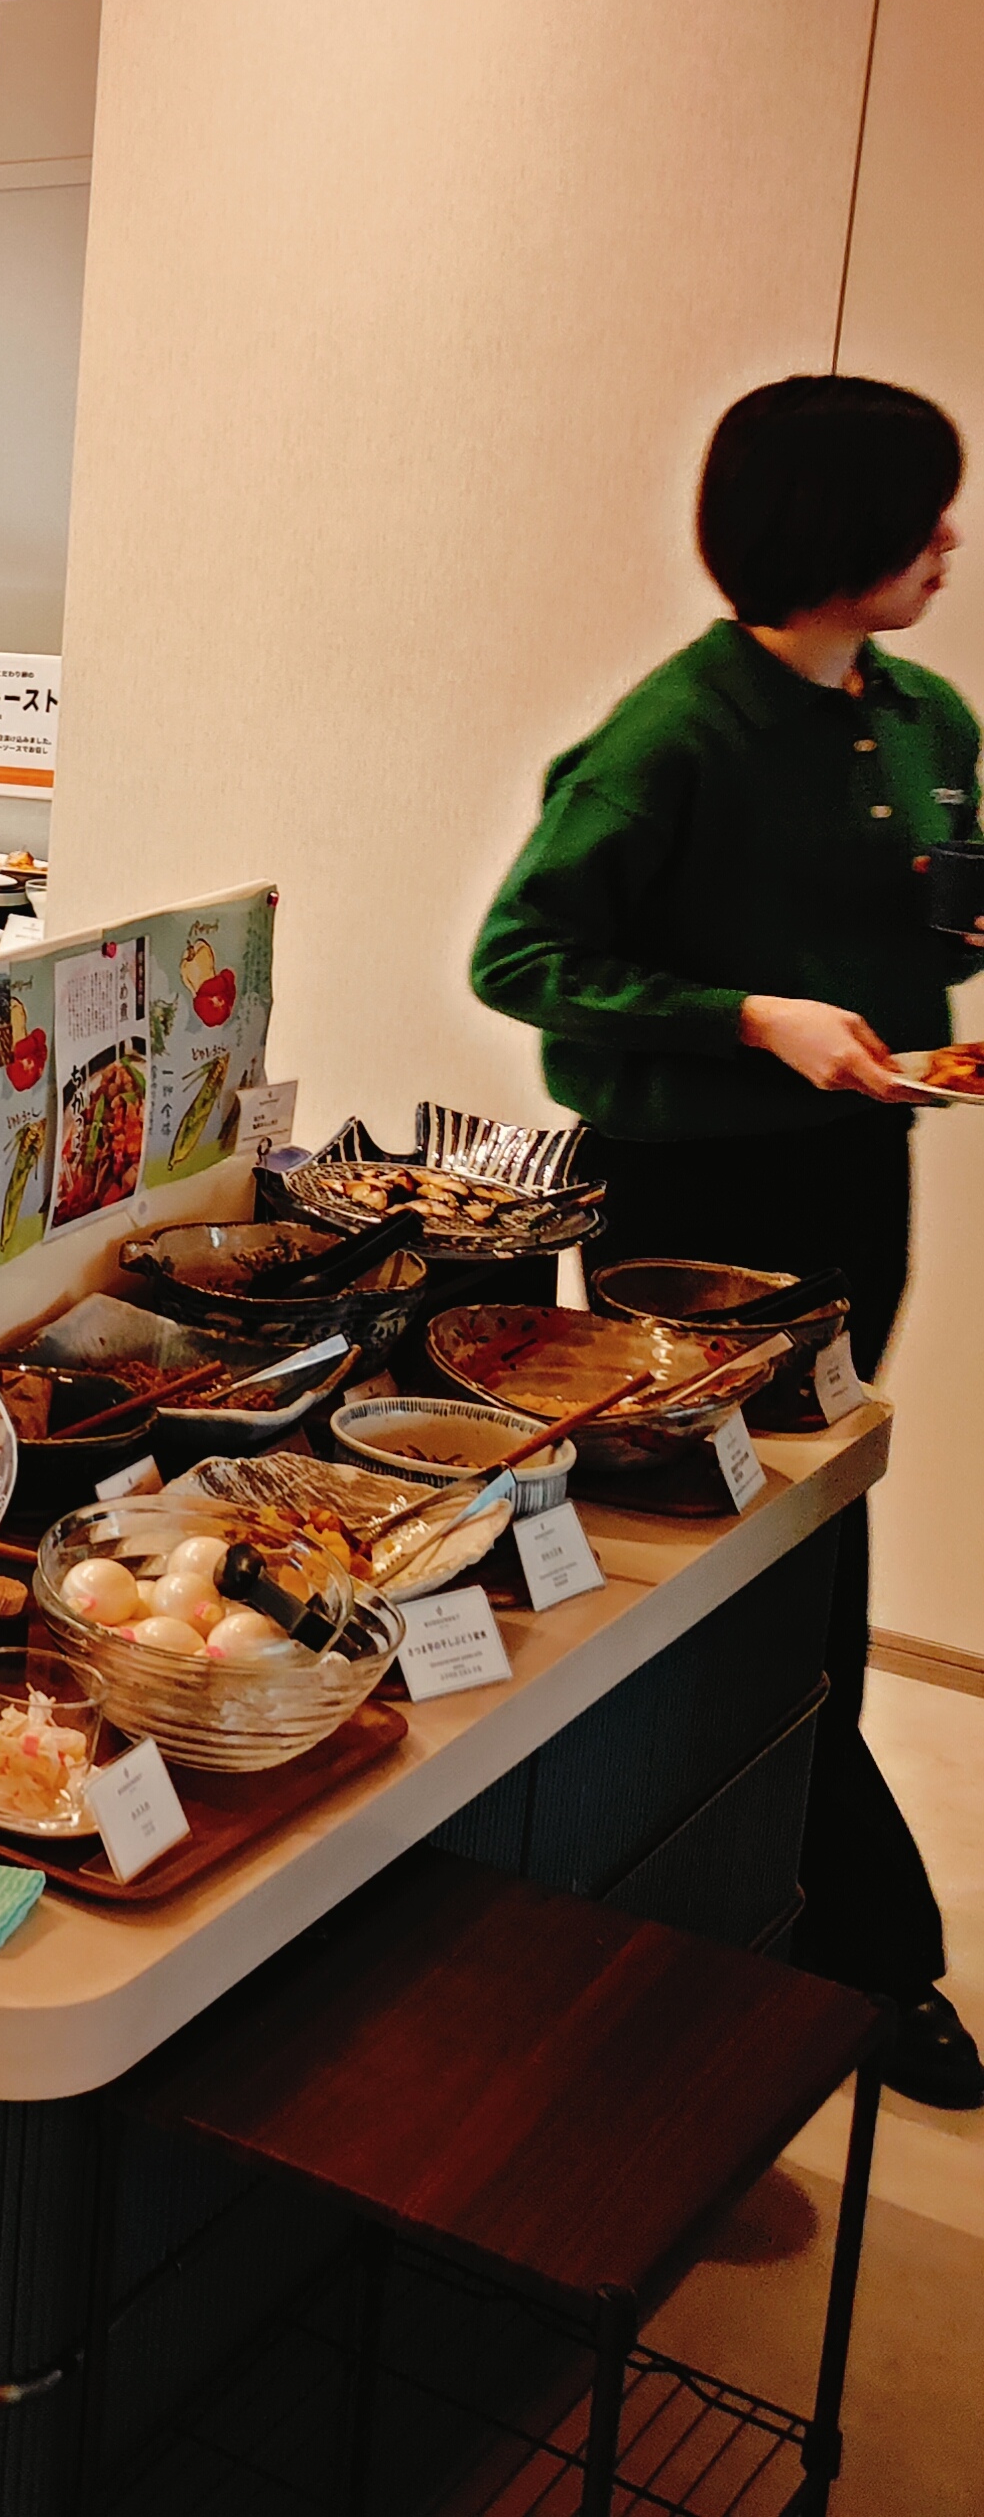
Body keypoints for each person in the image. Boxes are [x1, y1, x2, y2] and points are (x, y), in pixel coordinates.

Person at [472, 372, 983, 2112]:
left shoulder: (923, 714)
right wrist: (750, 1012)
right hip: (687, 1210)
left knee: (806, 1521)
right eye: (924, 512)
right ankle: (856, 1943)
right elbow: (523, 960)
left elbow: (932, 922)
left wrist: (927, 1007)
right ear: (834, 532)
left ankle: (760, 1912)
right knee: (729, 1561)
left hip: (857, 1181)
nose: (949, 541)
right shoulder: (672, 731)